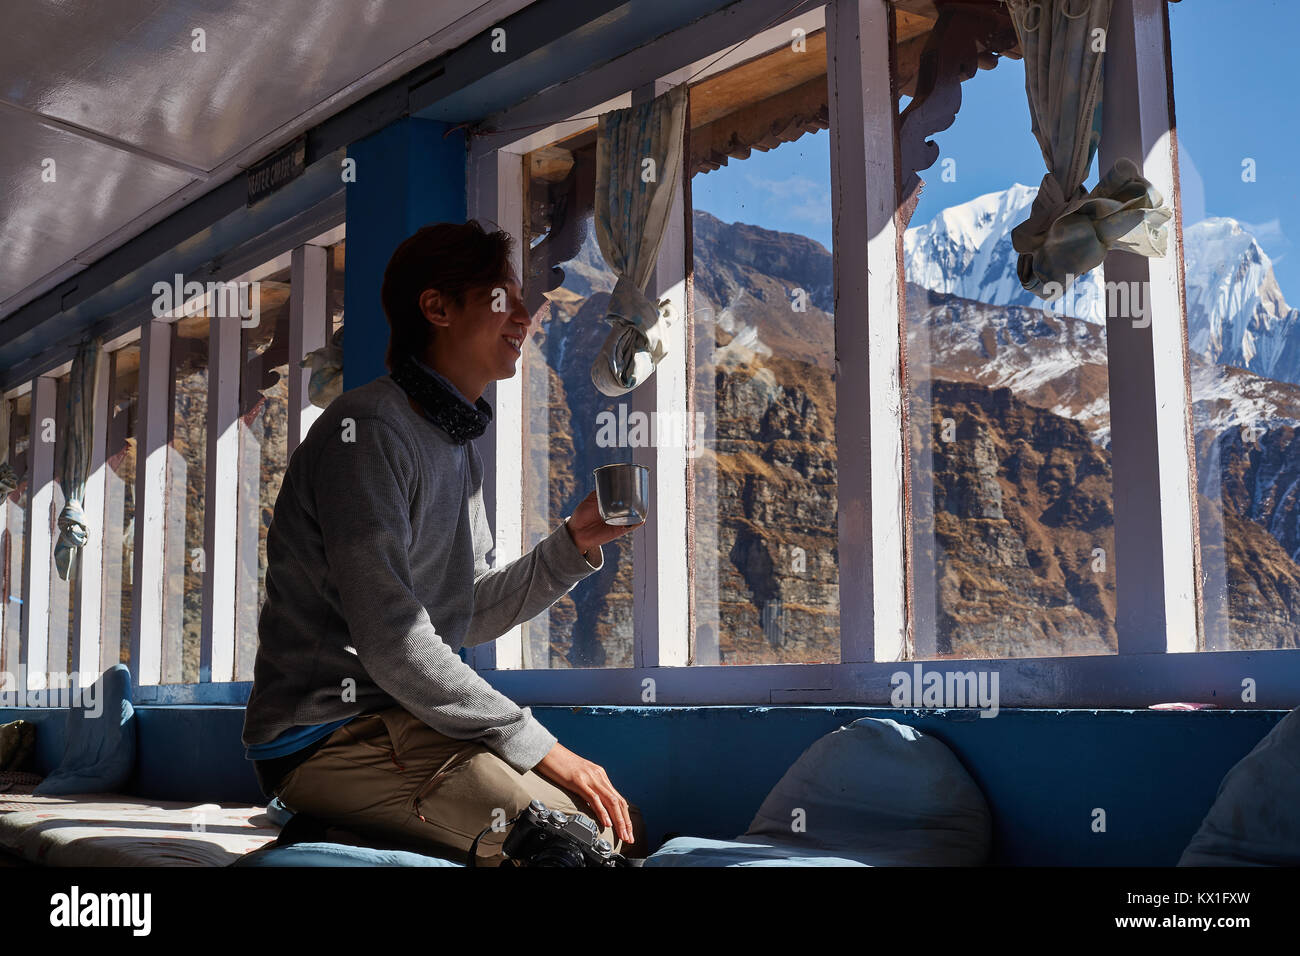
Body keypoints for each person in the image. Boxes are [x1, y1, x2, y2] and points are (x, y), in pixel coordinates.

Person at [241, 219, 647, 865]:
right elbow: (393, 639)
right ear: (436, 307)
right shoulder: (368, 430)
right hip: (325, 734)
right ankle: (329, 816)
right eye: (502, 299)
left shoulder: (457, 447)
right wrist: (542, 746)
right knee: (561, 848)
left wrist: (571, 546)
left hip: (407, 721)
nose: (525, 315)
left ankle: (351, 831)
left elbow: (465, 610)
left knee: (604, 829)